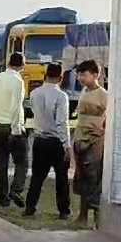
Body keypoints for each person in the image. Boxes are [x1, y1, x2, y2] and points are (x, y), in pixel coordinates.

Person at [24, 63, 72, 218]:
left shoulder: (34, 93)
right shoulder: (61, 96)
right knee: (61, 177)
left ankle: (30, 207)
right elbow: (62, 122)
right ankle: (63, 210)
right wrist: (67, 144)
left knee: (37, 177)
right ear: (60, 78)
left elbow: (33, 111)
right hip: (56, 141)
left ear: (45, 75)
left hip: (39, 139)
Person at [0, 52, 28, 208]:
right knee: (22, 162)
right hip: (11, 127)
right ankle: (16, 190)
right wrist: (16, 130)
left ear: (8, 63)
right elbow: (16, 107)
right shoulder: (18, 81)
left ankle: (3, 200)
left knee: (1, 165)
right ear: (22, 65)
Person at [71, 59, 108, 225]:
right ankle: (82, 216)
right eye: (79, 75)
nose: (80, 78)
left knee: (94, 177)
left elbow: (110, 117)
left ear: (95, 75)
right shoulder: (84, 91)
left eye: (84, 75)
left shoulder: (104, 95)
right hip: (81, 138)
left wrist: (102, 130)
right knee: (81, 177)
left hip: (95, 141)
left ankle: (98, 219)